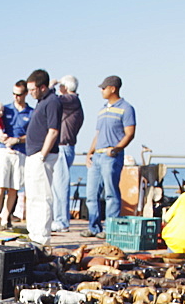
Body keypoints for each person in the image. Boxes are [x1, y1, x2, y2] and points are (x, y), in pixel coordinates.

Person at [82, 76, 136, 238]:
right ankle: (93, 227)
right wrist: (90, 152)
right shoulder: (102, 110)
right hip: (97, 157)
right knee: (91, 194)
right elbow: (97, 134)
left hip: (111, 157)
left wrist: (116, 149)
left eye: (103, 88)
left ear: (113, 89)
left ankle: (110, 229)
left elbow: (130, 133)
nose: (101, 91)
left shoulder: (126, 108)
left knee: (111, 193)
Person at [24, 69, 62, 248]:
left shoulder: (53, 102)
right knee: (32, 196)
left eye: (33, 90)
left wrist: (43, 154)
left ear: (43, 87)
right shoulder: (42, 100)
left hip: (42, 155)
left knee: (42, 196)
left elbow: (53, 130)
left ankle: (42, 236)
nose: (30, 93)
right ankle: (33, 233)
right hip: (33, 154)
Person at [0, 81, 33, 228]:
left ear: (25, 94)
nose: (16, 97)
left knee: (14, 187)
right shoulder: (4, 109)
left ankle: (6, 218)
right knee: (0, 186)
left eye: (19, 94)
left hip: (20, 152)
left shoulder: (31, 112)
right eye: (14, 94)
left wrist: (17, 140)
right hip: (3, 150)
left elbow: (33, 135)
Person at [50, 75, 84, 232]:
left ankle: (62, 221)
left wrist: (50, 86)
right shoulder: (73, 102)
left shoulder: (71, 99)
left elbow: (52, 101)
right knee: (56, 186)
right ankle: (58, 219)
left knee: (60, 185)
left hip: (63, 147)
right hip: (64, 147)